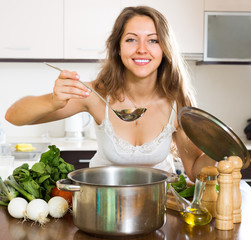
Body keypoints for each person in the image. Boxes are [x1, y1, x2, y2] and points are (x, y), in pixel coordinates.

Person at [5, 6, 216, 183]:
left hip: (159, 208)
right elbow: (14, 116)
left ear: (165, 49)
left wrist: (222, 149)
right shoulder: (96, 94)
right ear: (117, 48)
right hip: (103, 206)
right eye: (131, 40)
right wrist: (53, 100)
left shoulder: (177, 102)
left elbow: (195, 171)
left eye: (153, 40)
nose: (142, 49)